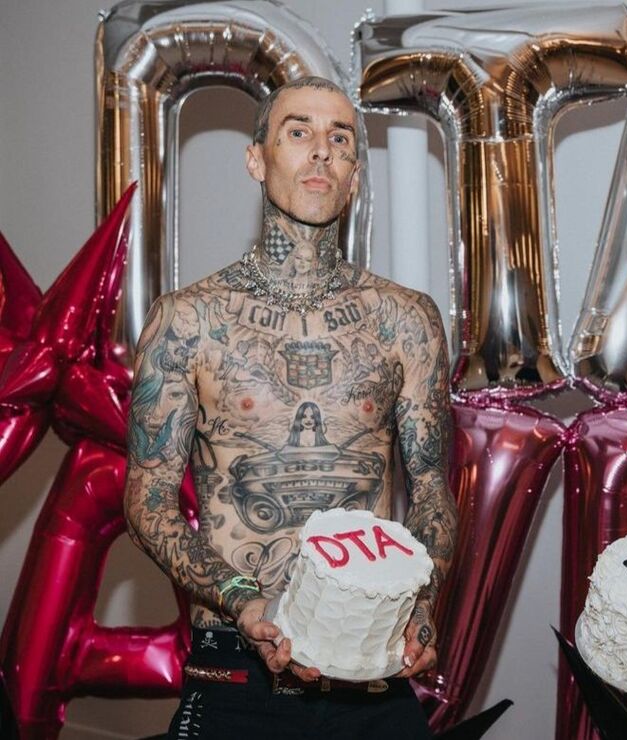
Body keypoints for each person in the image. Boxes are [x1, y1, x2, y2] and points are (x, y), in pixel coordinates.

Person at [123, 76, 457, 738]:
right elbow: (147, 500)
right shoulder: (187, 322)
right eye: (297, 132)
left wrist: (420, 601)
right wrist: (242, 600)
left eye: (340, 139)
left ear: (354, 176)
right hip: (236, 664)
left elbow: (431, 492)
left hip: (370, 664)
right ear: (257, 159)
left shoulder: (406, 321)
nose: (321, 151)